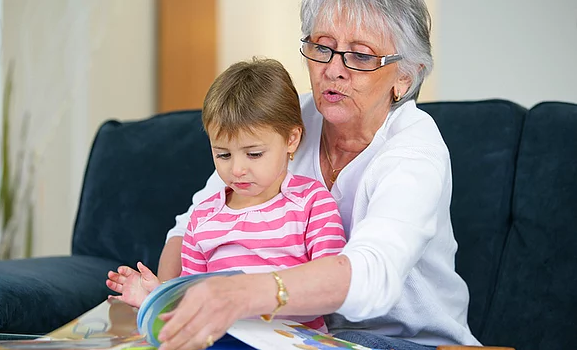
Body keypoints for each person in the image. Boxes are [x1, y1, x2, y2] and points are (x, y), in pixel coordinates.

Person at [149, 1, 483, 350]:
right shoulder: (288, 121)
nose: (333, 70)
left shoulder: (414, 149)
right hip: (303, 335)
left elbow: (373, 276)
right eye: (323, 47)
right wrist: (167, 315)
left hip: (405, 340)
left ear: (405, 76)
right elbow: (193, 224)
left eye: (361, 56)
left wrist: (243, 293)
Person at [106, 58, 347, 333]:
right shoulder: (204, 218)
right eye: (223, 154)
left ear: (291, 139)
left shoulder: (313, 203)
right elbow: (193, 300)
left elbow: (331, 290)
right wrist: (156, 296)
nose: (237, 169)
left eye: (254, 154)